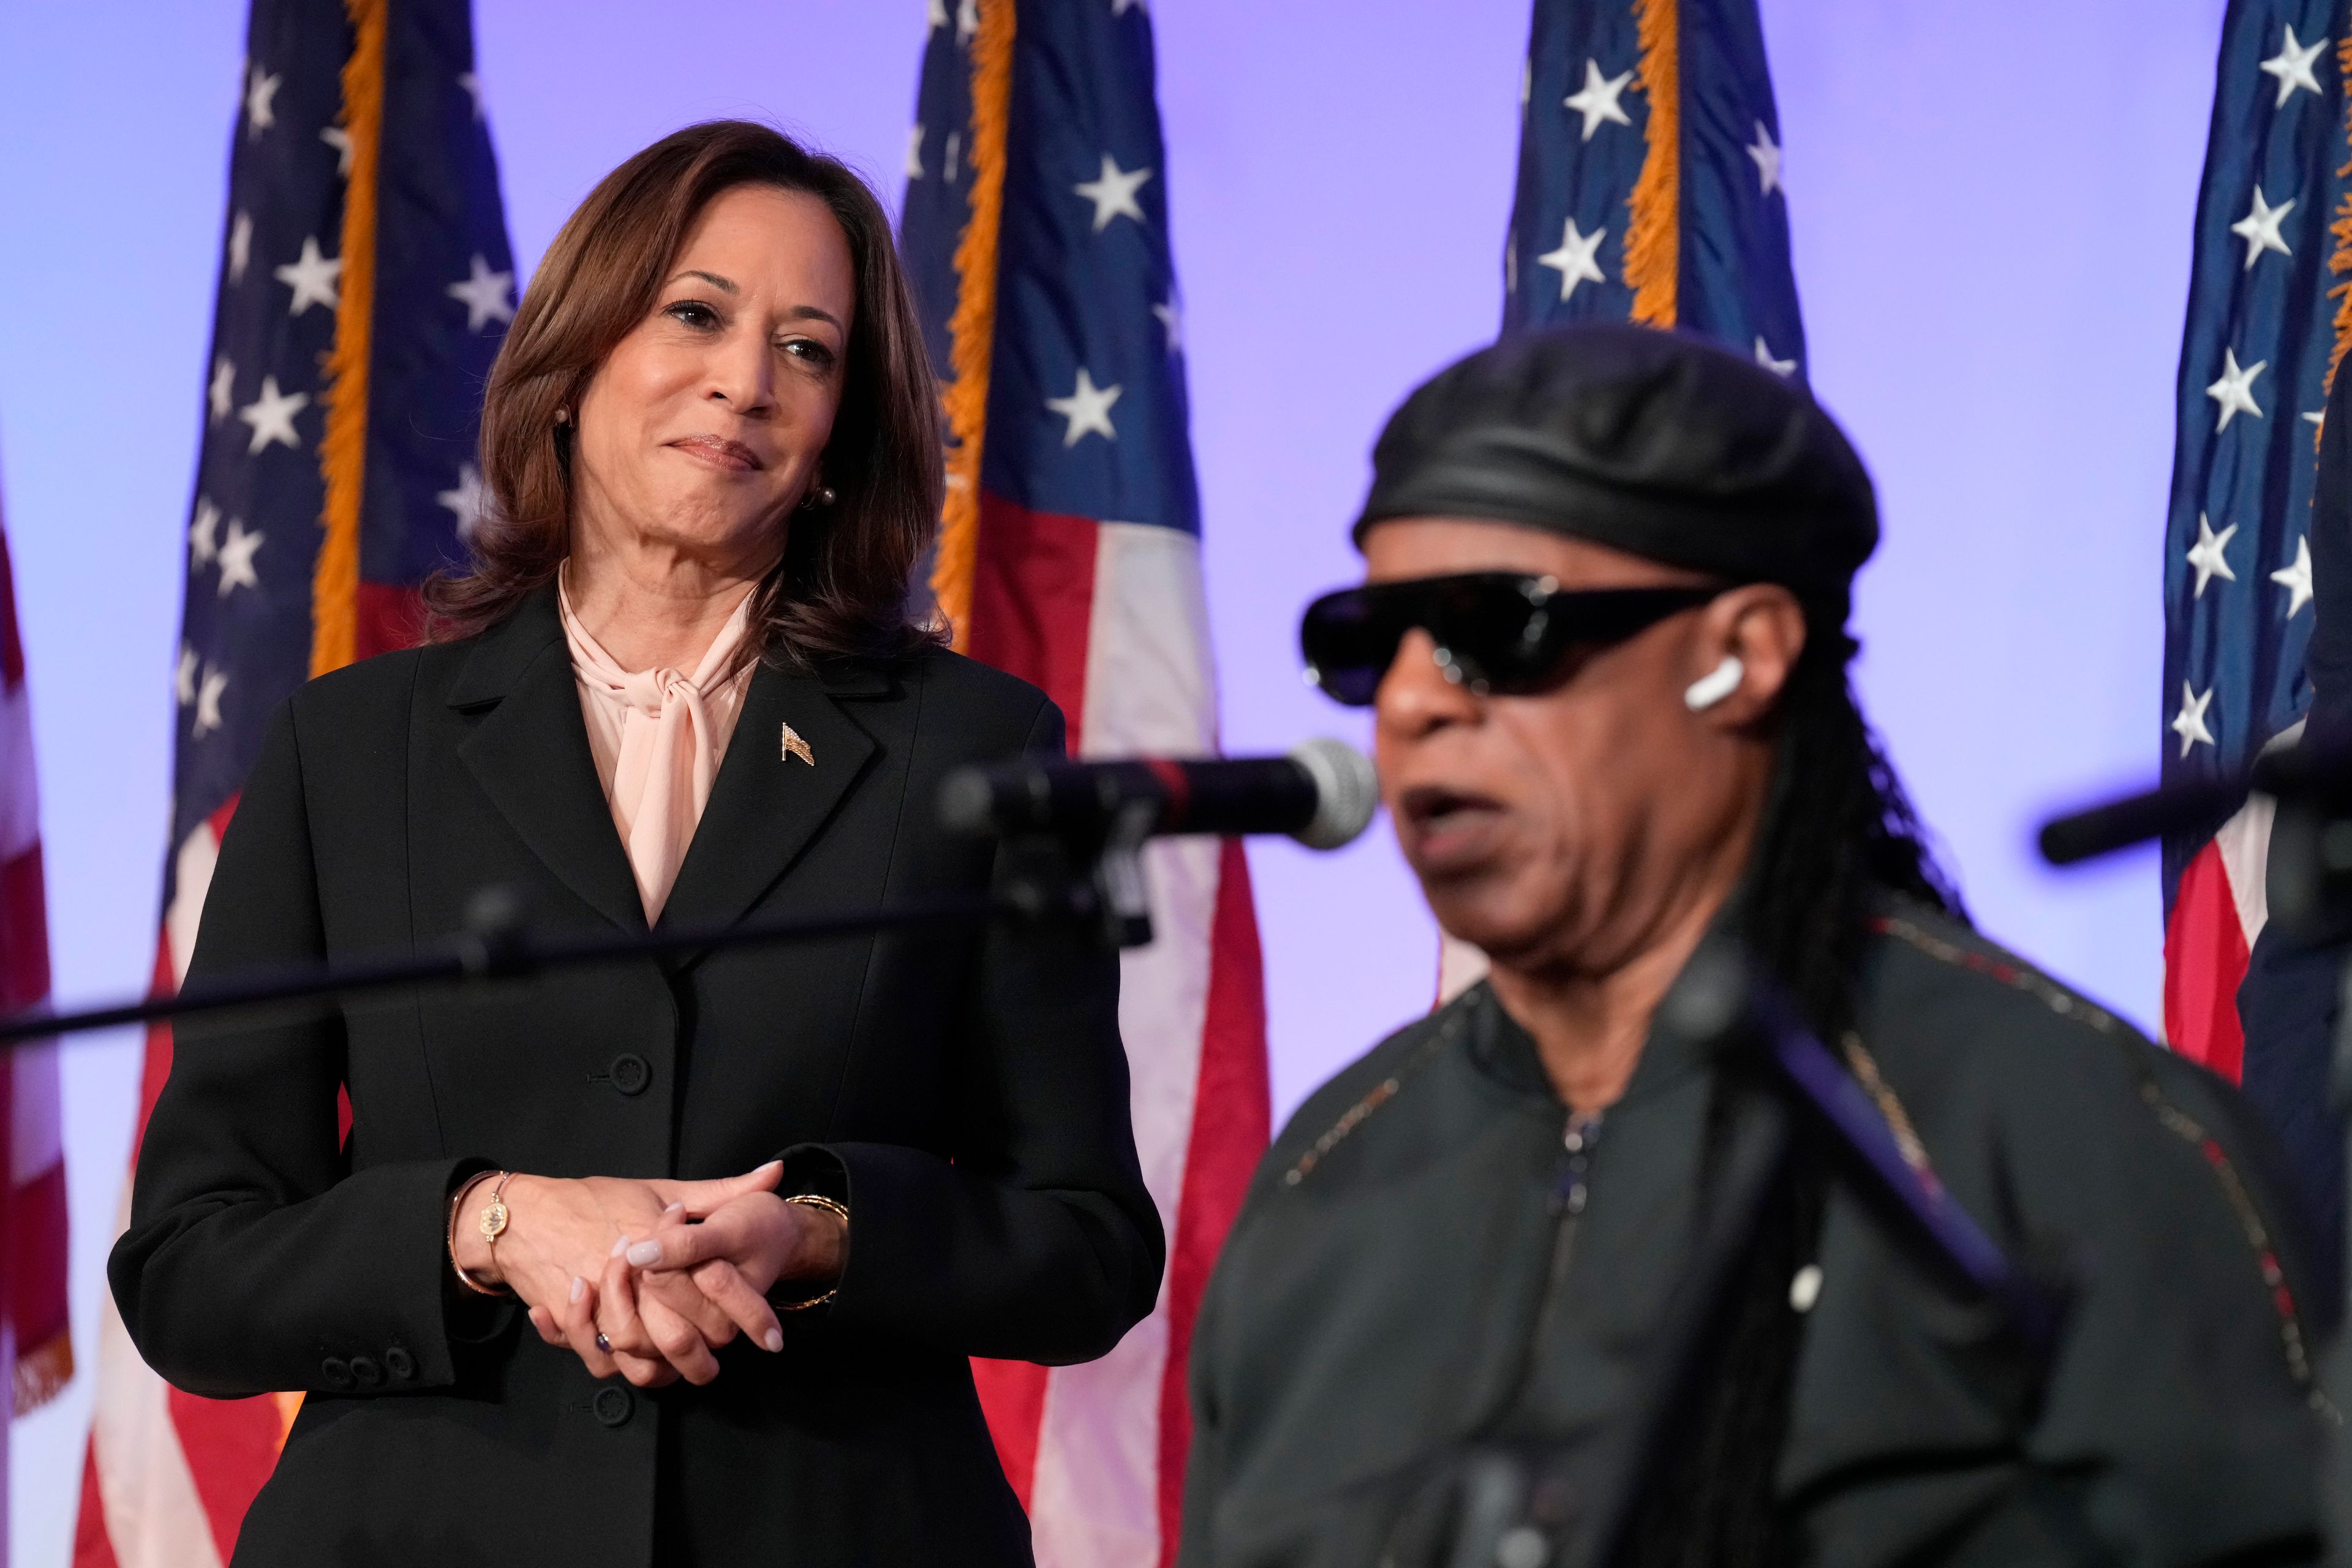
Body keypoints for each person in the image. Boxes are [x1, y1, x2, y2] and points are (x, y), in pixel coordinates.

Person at [110, 121, 1163, 1567]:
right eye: (697, 315)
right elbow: (190, 1268)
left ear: (843, 435)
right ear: (576, 361)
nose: (746, 381)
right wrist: (485, 1221)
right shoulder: (354, 748)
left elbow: (1088, 1241)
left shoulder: (978, 749)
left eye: (809, 348)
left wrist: (820, 1227)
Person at [1178, 325, 2333, 1567]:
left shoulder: (2077, 1139)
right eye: (1369, 641)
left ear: (1741, 653)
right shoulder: (1331, 1173)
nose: (1412, 698)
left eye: (1491, 625)